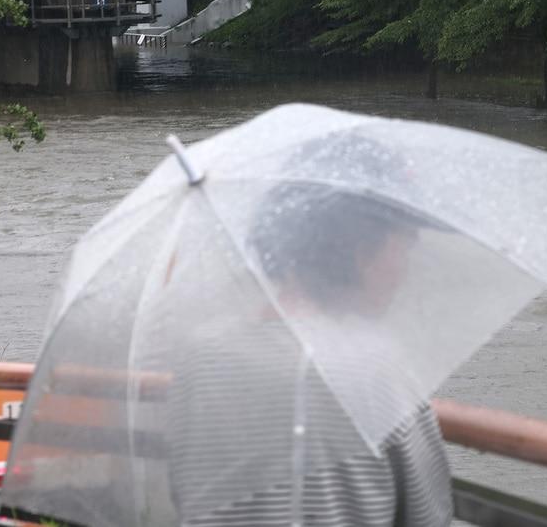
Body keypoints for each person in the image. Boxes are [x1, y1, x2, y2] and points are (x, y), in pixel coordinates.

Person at [163, 136, 454, 527]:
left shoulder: (200, 356)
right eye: (403, 245)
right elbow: (428, 516)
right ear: (362, 251)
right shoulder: (378, 373)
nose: (406, 267)